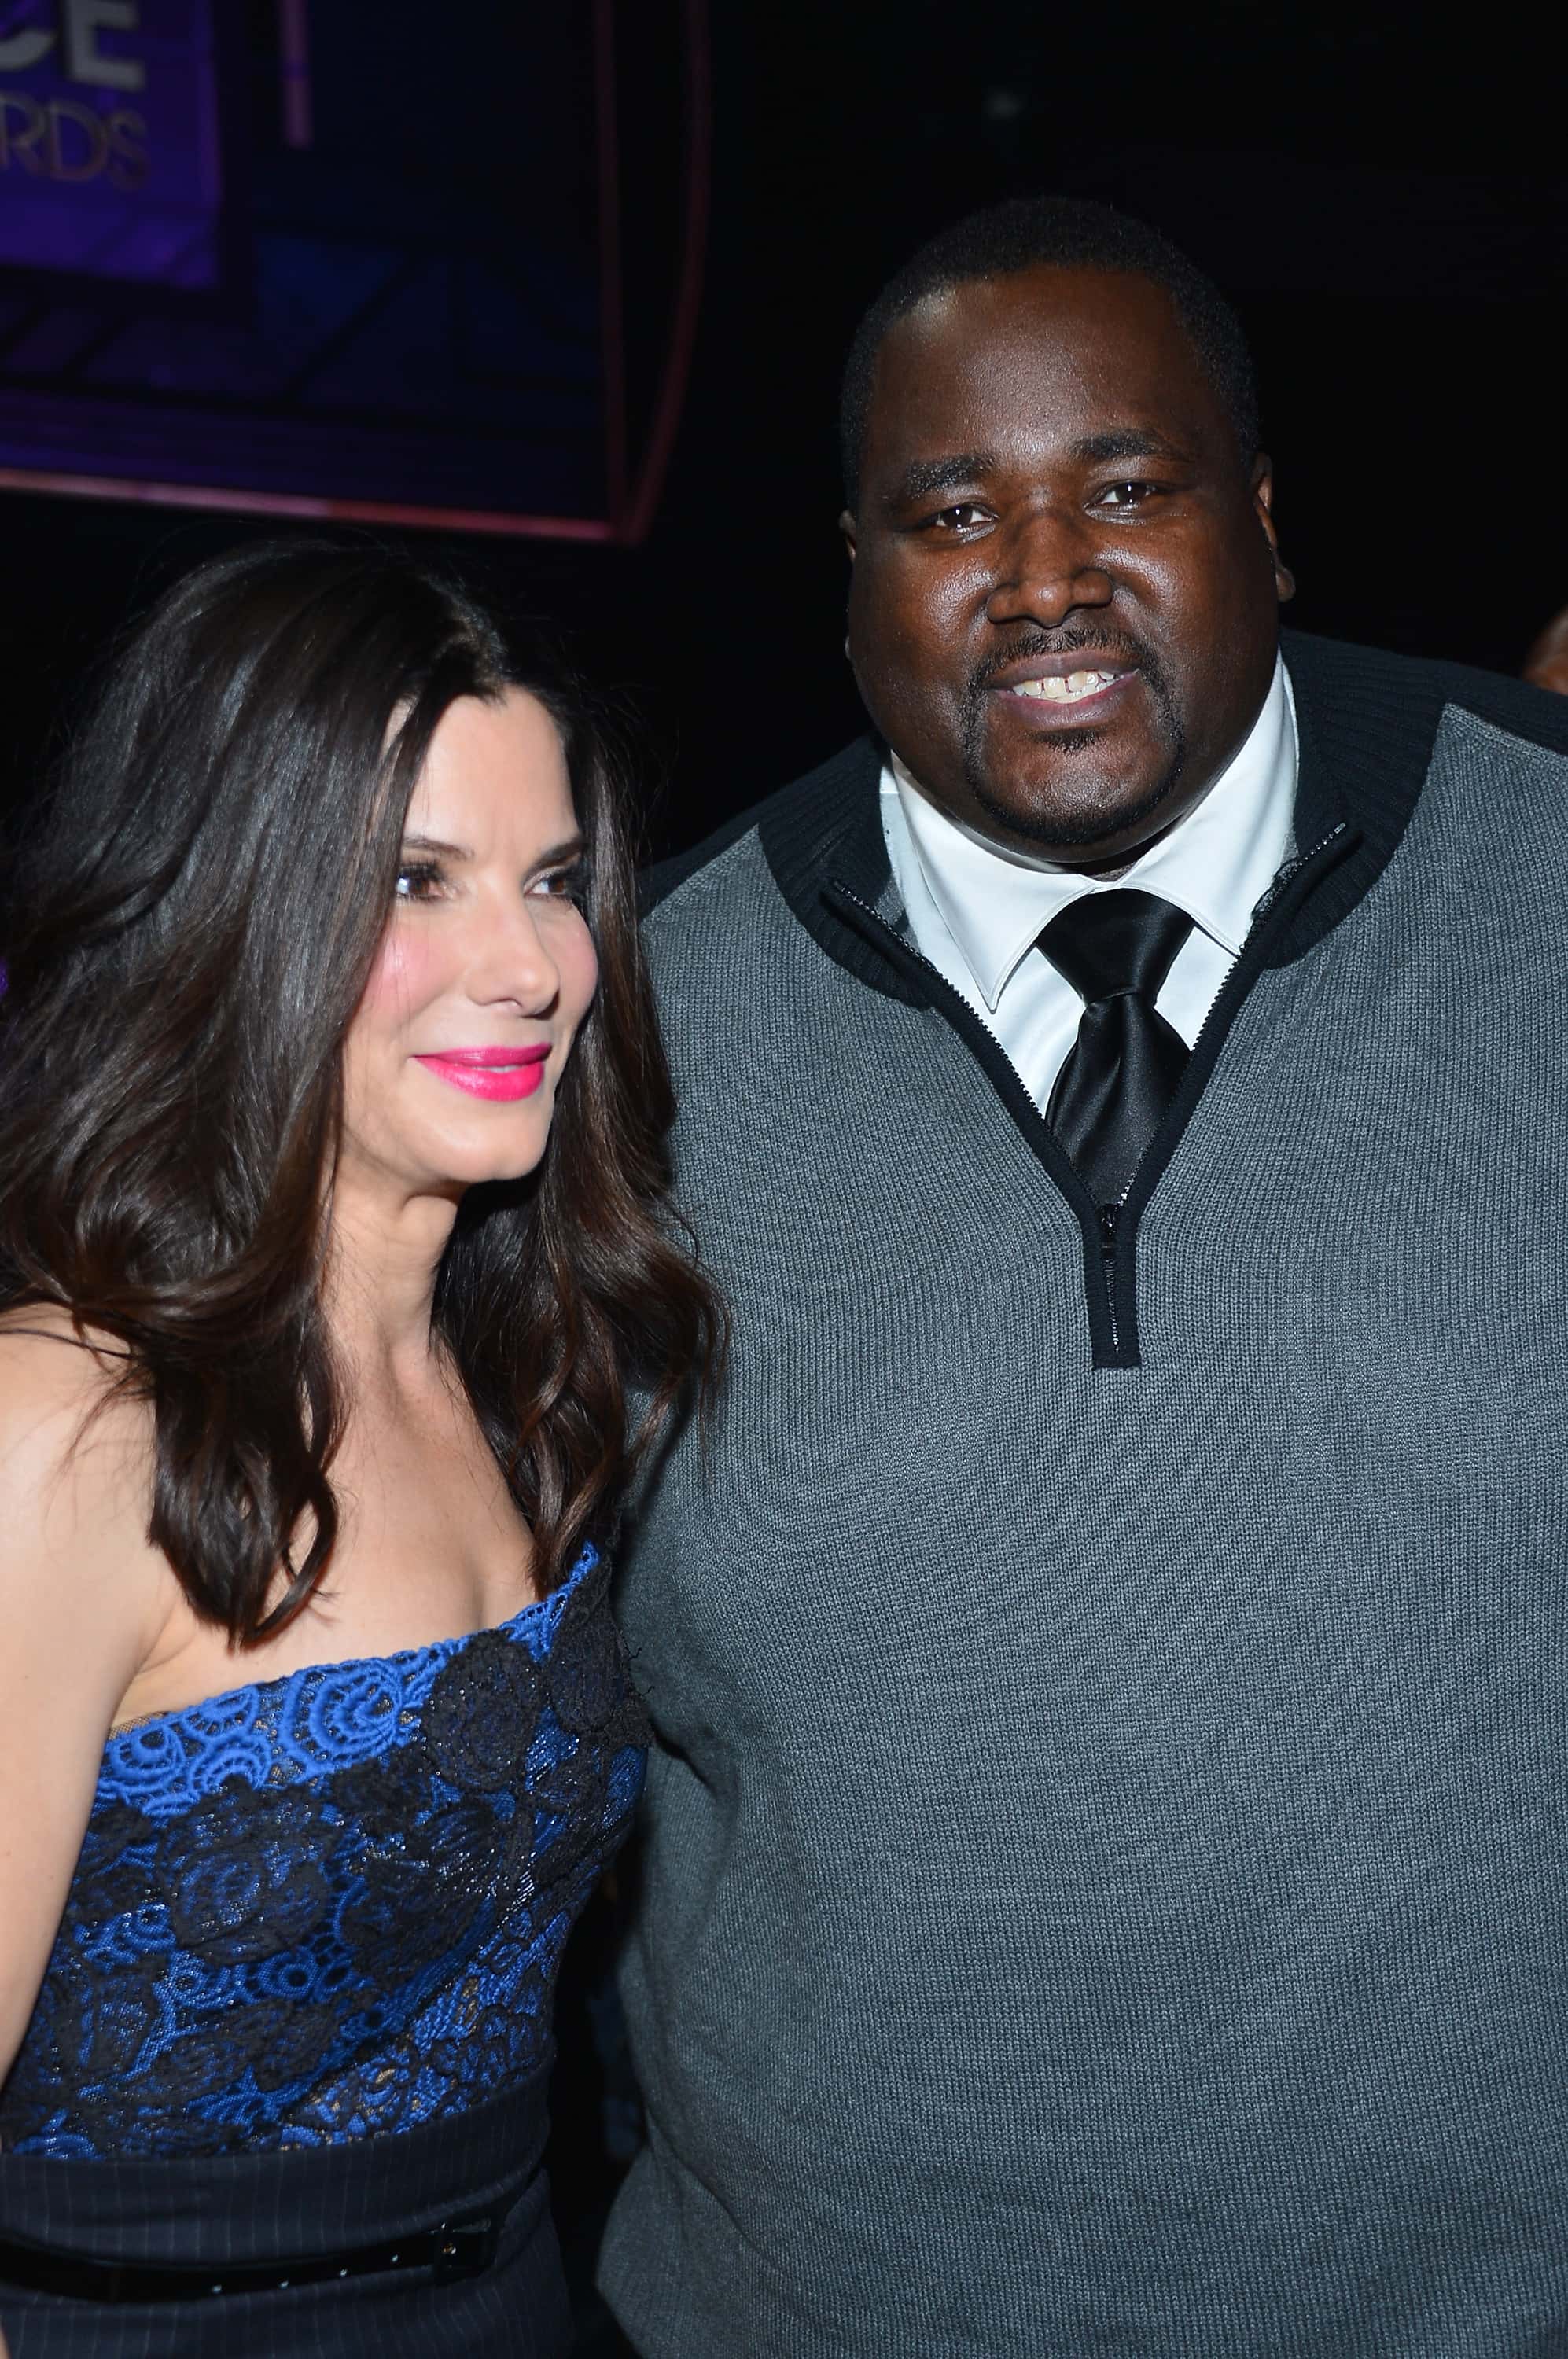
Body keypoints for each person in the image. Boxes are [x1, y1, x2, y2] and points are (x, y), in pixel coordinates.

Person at [598, 196, 1568, 2357]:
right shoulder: (619, 1047)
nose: (1043, 576)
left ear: (1265, 525)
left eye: (1122, 486)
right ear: (849, 586)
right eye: (948, 511)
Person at [0, 542, 720, 2357]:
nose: (533, 962)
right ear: (230, 903)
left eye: (554, 881)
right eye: (417, 880)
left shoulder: (516, 1371)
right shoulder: (64, 1430)